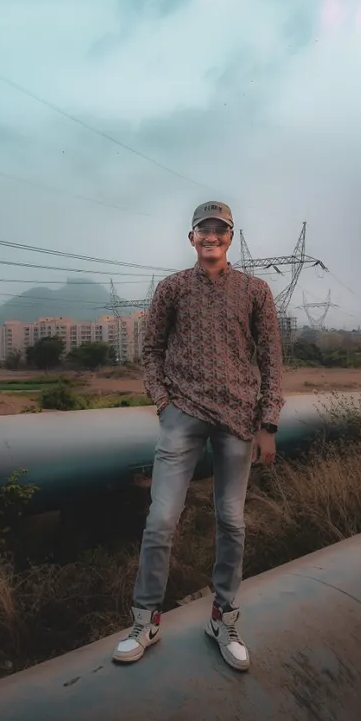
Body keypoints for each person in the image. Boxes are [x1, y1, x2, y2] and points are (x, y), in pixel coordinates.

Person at [112, 201, 284, 671]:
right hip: (182, 414)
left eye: (220, 229)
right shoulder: (171, 289)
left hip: (238, 420)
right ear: (191, 238)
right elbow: (151, 349)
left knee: (231, 521)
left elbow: (271, 359)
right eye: (203, 230)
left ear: (231, 236)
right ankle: (145, 620)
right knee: (161, 519)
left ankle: (223, 620)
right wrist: (164, 405)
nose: (211, 236)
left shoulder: (256, 290)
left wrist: (267, 423)